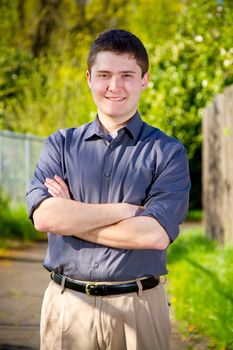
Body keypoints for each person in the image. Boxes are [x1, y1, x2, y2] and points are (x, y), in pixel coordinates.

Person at [26, 29, 190, 350]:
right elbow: (45, 218)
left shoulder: (167, 152)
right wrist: (125, 211)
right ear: (89, 78)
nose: (114, 86)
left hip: (139, 308)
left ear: (144, 79)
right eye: (104, 75)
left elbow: (153, 235)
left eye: (127, 75)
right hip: (68, 307)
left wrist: (72, 219)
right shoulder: (60, 145)